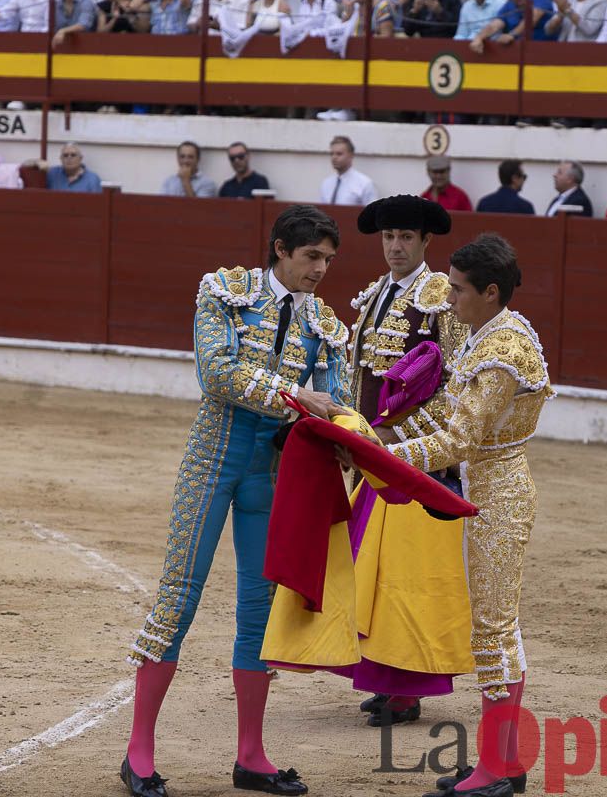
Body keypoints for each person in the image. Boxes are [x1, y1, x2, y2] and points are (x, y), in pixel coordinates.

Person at [123, 205, 351, 797]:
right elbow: (216, 373)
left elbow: (340, 400)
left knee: (259, 609)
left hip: (274, 472)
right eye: (311, 257)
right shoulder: (225, 292)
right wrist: (299, 397)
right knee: (179, 595)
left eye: (328, 260)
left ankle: (251, 754)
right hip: (214, 459)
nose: (321, 270)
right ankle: (138, 752)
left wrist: (355, 435)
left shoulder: (325, 325)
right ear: (280, 249)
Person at [389, 233, 552, 797]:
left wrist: (384, 455)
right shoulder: (492, 335)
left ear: (489, 291)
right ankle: (502, 760)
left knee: (494, 629)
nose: (448, 298)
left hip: (498, 496)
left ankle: (496, 769)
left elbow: (460, 438)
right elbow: (448, 422)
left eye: (457, 289)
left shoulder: (501, 351)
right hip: (489, 490)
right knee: (497, 628)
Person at [321, 195, 472, 728]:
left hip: (415, 463)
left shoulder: (440, 300)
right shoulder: (376, 295)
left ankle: (408, 691)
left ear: (427, 243)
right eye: (388, 238)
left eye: (406, 237)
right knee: (376, 574)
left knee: (406, 579)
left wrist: (392, 441)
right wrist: (354, 434)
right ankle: (387, 679)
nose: (395, 247)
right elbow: (355, 373)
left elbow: (454, 390)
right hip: (373, 456)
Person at [320, 135, 377, 206]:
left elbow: (372, 213)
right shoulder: (326, 183)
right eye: (332, 154)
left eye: (339, 154)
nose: (334, 157)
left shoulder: (364, 184)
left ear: (351, 155)